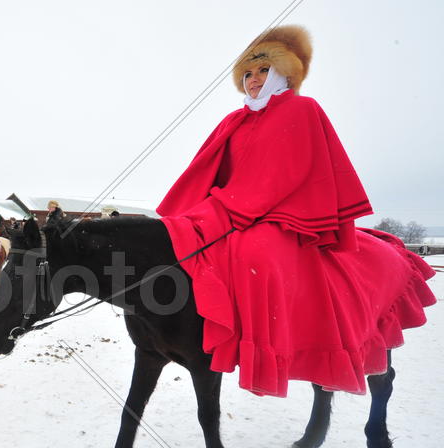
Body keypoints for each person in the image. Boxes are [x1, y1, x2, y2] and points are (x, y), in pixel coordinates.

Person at [155, 25, 435, 397]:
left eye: (262, 71)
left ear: (284, 73)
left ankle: (275, 348)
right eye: (247, 74)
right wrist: (201, 211)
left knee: (257, 254)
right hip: (233, 208)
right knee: (186, 243)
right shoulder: (233, 121)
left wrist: (231, 207)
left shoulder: (302, 109)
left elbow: (289, 173)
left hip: (285, 214)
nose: (253, 80)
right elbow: (209, 173)